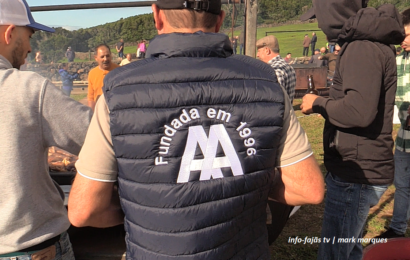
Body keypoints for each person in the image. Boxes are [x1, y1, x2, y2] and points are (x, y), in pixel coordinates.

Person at [68, 0, 325, 259]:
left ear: (156, 16)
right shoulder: (267, 86)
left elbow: (83, 210)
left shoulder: (117, 94)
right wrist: (248, 183)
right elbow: (308, 189)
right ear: (220, 20)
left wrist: (142, 208)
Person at [300, 1, 405, 259]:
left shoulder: (361, 48)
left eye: (319, 17)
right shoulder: (365, 44)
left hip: (355, 175)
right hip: (357, 169)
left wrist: (318, 103)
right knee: (350, 248)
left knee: (334, 253)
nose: (318, 25)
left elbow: (359, 111)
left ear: (333, 12)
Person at [0, 0, 92, 258]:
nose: (30, 47)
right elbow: (99, 138)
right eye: (28, 36)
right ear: (9, 33)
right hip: (31, 247)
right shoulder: (27, 88)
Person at [374, 7, 410, 241]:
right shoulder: (399, 60)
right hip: (405, 139)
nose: (402, 41)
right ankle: (397, 229)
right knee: (403, 185)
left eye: (405, 35)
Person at [256, 35, 297, 103]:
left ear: (267, 51)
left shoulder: (274, 71)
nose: (257, 55)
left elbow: (273, 101)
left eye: (259, 51)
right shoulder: (289, 67)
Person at [87, 44, 119, 111]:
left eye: (107, 56)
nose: (105, 59)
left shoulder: (119, 70)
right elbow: (91, 97)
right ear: (96, 58)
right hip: (99, 111)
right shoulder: (92, 74)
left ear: (111, 55)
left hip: (116, 110)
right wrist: (92, 114)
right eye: (102, 57)